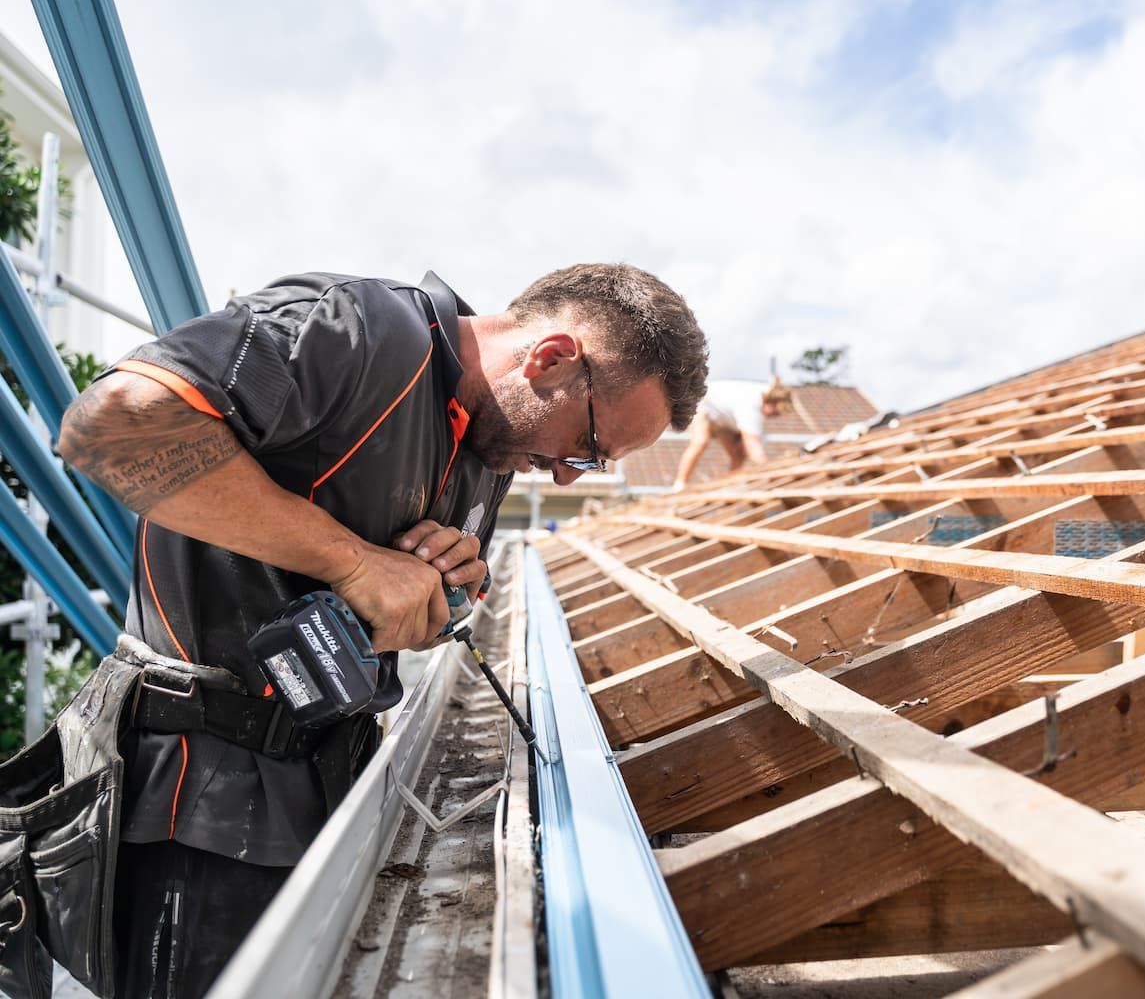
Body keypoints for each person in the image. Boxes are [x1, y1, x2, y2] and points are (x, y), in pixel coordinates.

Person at [55, 263, 708, 997]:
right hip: (195, 795)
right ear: (551, 358)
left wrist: (449, 590)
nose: (566, 478)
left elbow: (415, 609)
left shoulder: (493, 450)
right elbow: (109, 425)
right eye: (588, 448)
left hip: (325, 783)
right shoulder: (362, 333)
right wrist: (352, 561)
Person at [671, 377, 791, 490]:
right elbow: (753, 448)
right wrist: (769, 471)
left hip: (725, 418)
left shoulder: (765, 397)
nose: (773, 417)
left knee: (739, 454)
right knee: (701, 441)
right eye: (775, 413)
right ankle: (680, 484)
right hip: (704, 406)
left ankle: (730, 484)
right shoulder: (752, 404)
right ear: (771, 402)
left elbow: (749, 445)